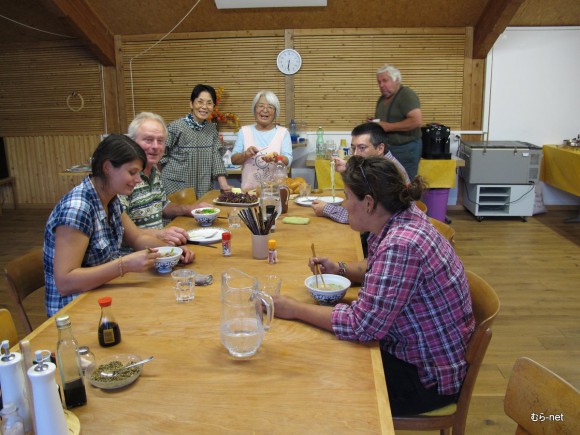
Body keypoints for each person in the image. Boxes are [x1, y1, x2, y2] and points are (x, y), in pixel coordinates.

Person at [273, 155, 474, 417]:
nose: (345, 204)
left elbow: (361, 325)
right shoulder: (401, 216)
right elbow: (375, 266)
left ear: (368, 203)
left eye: (347, 197)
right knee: (320, 347)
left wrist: (294, 308)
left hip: (426, 378)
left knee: (315, 375)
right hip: (422, 352)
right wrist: (340, 268)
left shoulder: (401, 244)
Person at [44, 134, 195, 316]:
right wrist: (124, 265)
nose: (138, 179)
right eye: (132, 172)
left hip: (102, 294)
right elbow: (65, 282)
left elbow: (137, 238)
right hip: (74, 311)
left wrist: (171, 252)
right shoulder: (77, 208)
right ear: (107, 167)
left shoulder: (111, 199)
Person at [121, 112, 212, 247]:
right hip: (133, 259)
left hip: (159, 249)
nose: (156, 146)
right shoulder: (123, 177)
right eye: (148, 140)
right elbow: (118, 231)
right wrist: (160, 234)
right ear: (132, 142)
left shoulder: (154, 171)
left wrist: (193, 209)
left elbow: (163, 207)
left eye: (160, 141)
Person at [311, 122, 409, 224]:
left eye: (362, 148)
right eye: (353, 148)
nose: (356, 154)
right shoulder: (379, 165)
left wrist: (326, 209)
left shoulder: (386, 173)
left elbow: (362, 215)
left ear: (380, 148)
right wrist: (348, 168)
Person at [160, 84, 233, 199]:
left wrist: (224, 185)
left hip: (203, 188)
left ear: (213, 106)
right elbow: (160, 154)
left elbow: (216, 158)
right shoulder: (176, 127)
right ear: (191, 103)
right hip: (176, 187)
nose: (204, 107)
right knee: (179, 217)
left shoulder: (212, 129)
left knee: (202, 214)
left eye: (209, 103)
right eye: (200, 102)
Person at [231, 90, 293, 191]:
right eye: (261, 106)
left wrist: (277, 158)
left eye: (270, 107)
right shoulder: (244, 131)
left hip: (277, 192)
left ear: (275, 112)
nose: (265, 110)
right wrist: (245, 155)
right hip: (249, 193)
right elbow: (233, 160)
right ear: (254, 109)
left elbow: (288, 161)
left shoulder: (283, 133)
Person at [371, 64, 423, 178]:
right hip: (389, 148)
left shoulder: (406, 95)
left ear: (397, 80)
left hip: (406, 149)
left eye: (385, 80)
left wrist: (388, 127)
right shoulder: (382, 99)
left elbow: (417, 121)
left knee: (405, 183)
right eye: (379, 82)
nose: (381, 85)